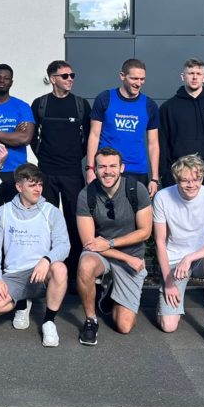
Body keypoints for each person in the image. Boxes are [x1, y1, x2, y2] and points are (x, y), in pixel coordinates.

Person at [0, 163, 70, 347]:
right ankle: (22, 302)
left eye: (39, 184)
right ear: (19, 187)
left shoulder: (51, 212)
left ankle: (48, 322)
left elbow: (64, 245)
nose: (38, 189)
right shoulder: (3, 213)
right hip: (14, 275)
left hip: (41, 273)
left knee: (60, 269)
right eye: (32, 185)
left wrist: (47, 260)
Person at [75, 147, 152, 345]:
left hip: (128, 254)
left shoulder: (136, 190)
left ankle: (108, 293)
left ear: (121, 168)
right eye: (102, 167)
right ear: (95, 168)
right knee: (85, 265)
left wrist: (110, 243)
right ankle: (91, 321)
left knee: (124, 326)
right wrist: (125, 257)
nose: (107, 171)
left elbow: (145, 232)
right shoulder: (87, 194)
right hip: (102, 254)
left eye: (112, 166)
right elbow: (89, 243)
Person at [153, 154, 204, 347]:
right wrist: (169, 281)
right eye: (185, 180)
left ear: (202, 177)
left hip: (201, 257)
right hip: (174, 260)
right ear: (177, 179)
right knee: (168, 326)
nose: (192, 185)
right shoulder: (163, 197)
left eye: (196, 179)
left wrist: (190, 257)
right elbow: (160, 242)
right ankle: (167, 302)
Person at [31, 59, 90, 276]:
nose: (70, 80)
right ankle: (47, 271)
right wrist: (44, 156)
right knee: (45, 222)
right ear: (53, 79)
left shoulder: (81, 104)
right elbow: (32, 136)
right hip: (46, 172)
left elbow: (89, 138)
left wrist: (76, 156)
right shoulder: (40, 103)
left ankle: (74, 272)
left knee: (75, 222)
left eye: (72, 75)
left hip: (73, 172)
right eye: (65, 76)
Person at [86, 58, 161, 198]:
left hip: (137, 170)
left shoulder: (149, 105)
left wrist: (154, 178)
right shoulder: (105, 98)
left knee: (136, 217)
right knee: (103, 215)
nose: (138, 83)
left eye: (142, 79)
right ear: (122, 76)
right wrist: (90, 168)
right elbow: (94, 135)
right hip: (108, 169)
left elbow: (153, 144)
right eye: (134, 78)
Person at [158, 58, 204, 188]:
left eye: (198, 74)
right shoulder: (168, 108)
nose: (194, 77)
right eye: (190, 73)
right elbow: (162, 144)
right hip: (179, 175)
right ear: (183, 76)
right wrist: (164, 173)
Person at [0, 64, 35, 205]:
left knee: (17, 216)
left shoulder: (22, 107)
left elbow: (25, 138)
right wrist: (13, 135)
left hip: (16, 172)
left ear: (11, 82)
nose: (2, 81)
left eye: (6, 78)